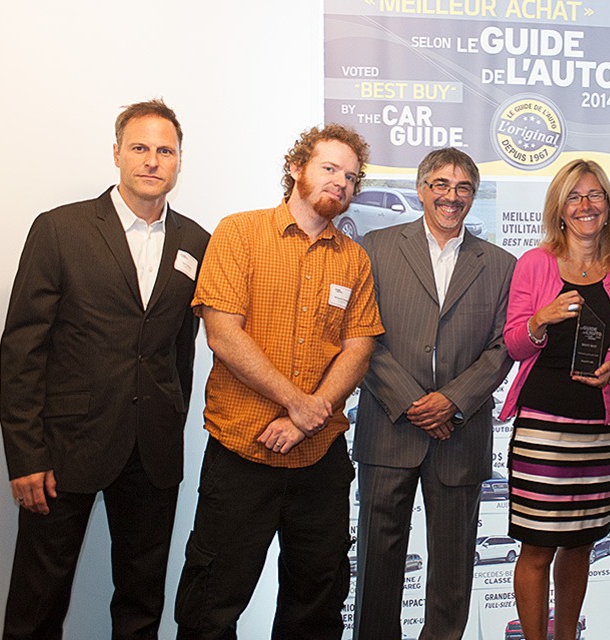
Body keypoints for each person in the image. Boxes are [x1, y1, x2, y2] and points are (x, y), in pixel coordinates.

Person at [0, 99, 209, 639]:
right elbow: (22, 349)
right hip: (62, 450)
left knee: (141, 603)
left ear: (179, 161)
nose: (152, 161)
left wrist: (172, 420)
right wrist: (25, 455)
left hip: (153, 453)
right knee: (37, 603)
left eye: (165, 151)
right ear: (116, 153)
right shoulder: (60, 229)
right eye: (140, 148)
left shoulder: (195, 241)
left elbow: (180, 350)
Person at [173, 124, 383, 639]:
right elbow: (223, 334)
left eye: (351, 177)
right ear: (296, 168)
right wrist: (297, 403)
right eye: (329, 168)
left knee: (317, 605)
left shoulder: (354, 259)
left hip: (320, 460)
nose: (340, 183)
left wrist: (309, 417)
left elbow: (359, 347)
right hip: (242, 453)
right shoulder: (239, 234)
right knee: (211, 604)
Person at [353, 147, 515, 639]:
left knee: (452, 574)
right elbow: (360, 334)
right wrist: (412, 402)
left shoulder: (501, 264)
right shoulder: (375, 248)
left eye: (463, 187)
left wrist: (451, 402)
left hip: (459, 436)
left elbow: (502, 347)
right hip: (389, 429)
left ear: (473, 196)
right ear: (422, 190)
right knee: (377, 567)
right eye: (441, 184)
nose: (451, 196)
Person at [499, 159, 610, 639]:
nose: (585, 205)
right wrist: (542, 318)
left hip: (600, 430)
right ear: (559, 209)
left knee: (580, 543)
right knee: (537, 546)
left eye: (595, 195)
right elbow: (514, 343)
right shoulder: (534, 263)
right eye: (574, 197)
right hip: (543, 427)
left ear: (608, 206)